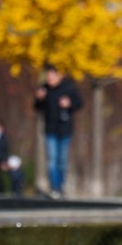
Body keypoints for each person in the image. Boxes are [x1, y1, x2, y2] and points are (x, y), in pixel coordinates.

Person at [33, 63, 83, 199]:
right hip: (50, 129)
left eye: (52, 75)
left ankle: (60, 187)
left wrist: (69, 104)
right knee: (52, 160)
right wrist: (39, 99)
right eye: (48, 76)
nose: (49, 78)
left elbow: (79, 103)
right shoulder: (44, 89)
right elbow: (37, 107)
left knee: (62, 160)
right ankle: (54, 187)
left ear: (59, 76)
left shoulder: (68, 88)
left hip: (65, 129)